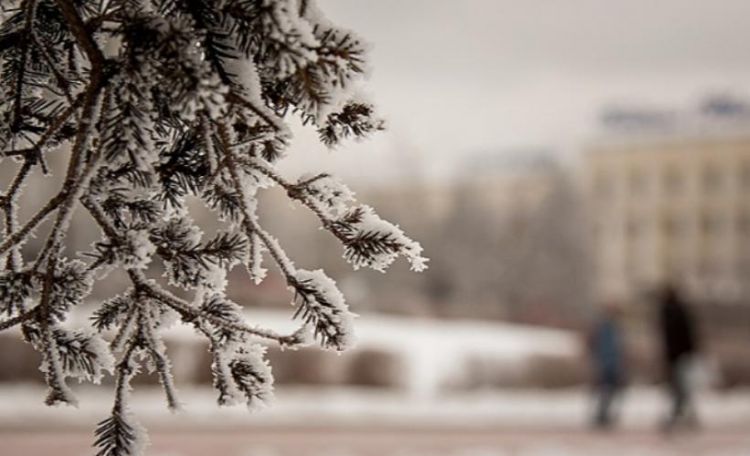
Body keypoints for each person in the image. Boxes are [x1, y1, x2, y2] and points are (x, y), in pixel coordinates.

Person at [657, 284, 700, 431]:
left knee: (679, 387)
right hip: (679, 356)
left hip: (675, 356)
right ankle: (682, 415)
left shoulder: (669, 312)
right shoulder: (676, 311)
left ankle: (679, 415)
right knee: (680, 387)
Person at [588, 301, 626, 429]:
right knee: (604, 390)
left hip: (612, 363)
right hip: (606, 363)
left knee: (610, 391)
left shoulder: (615, 328)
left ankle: (604, 414)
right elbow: (596, 345)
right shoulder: (604, 327)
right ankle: (601, 414)